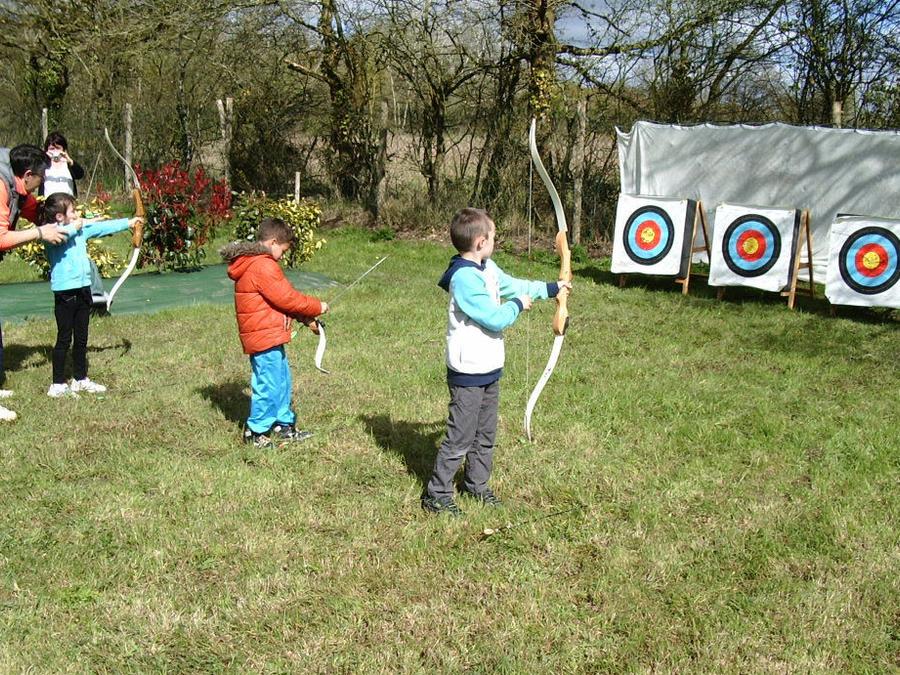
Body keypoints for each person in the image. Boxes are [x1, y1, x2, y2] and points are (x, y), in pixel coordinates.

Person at [421, 207, 571, 516]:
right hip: (468, 372)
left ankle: (475, 485)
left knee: (485, 433)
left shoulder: (487, 267)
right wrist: (517, 305)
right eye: (493, 237)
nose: (495, 241)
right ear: (480, 242)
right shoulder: (464, 278)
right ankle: (437, 494)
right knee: (460, 437)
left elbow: (514, 285)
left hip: (489, 369)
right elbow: (493, 318)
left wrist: (551, 288)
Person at [220, 217, 328, 447]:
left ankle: (283, 425)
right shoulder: (262, 265)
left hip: (269, 334)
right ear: (272, 242)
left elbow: (278, 302)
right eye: (283, 250)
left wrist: (306, 319)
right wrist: (317, 306)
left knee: (281, 381)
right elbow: (287, 298)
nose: (282, 256)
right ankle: (255, 432)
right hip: (263, 336)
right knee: (269, 384)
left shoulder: (258, 263)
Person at [40, 192, 143, 397]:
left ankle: (80, 379)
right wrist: (75, 227)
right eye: (72, 211)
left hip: (83, 290)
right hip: (65, 294)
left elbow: (102, 228)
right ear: (59, 216)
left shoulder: (79, 231)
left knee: (81, 337)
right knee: (64, 338)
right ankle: (57, 384)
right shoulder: (51, 234)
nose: (77, 214)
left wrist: (130, 222)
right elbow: (62, 236)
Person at [0, 144, 69, 421]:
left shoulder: (19, 189)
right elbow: (1, 238)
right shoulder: (1, 187)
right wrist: (40, 233)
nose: (41, 185)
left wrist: (68, 216)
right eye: (41, 179)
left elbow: (36, 213)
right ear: (28, 175)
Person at [41, 131, 85, 198]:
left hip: (68, 202)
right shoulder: (43, 165)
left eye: (58, 148)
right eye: (52, 149)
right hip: (47, 203)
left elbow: (80, 175)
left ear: (64, 150)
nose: (55, 151)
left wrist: (70, 161)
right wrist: (44, 158)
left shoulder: (68, 164)